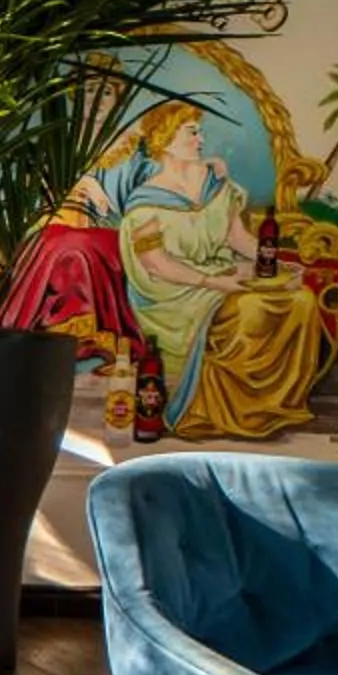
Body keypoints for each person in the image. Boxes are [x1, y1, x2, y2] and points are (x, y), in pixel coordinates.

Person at [115, 100, 326, 440]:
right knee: (250, 309)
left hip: (218, 274)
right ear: (166, 139)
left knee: (301, 300)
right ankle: (235, 410)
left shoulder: (216, 187)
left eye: (199, 131)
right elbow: (157, 263)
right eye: (192, 132)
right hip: (175, 294)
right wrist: (214, 283)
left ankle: (274, 404)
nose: (200, 140)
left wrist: (275, 261)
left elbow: (237, 238)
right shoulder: (146, 201)